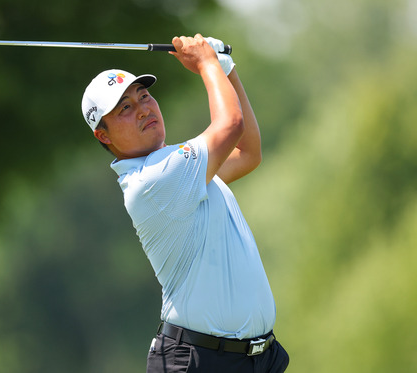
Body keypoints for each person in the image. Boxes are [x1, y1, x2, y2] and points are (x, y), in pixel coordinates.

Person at [81, 34, 289, 373]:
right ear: (103, 135)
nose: (144, 108)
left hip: (255, 359)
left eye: (144, 95)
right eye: (125, 108)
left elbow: (248, 153)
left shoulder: (179, 168)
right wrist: (207, 64)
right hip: (201, 361)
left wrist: (226, 68)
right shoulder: (154, 180)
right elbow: (230, 125)